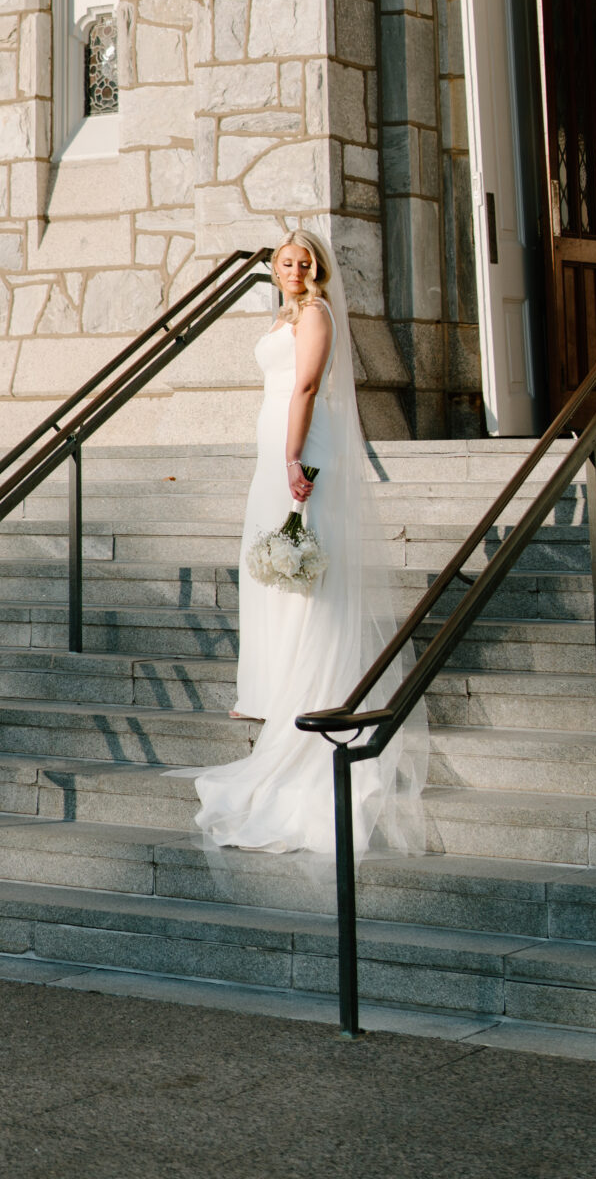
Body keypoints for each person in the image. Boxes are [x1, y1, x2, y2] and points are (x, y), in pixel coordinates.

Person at [192, 227, 427, 858]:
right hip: (274, 443)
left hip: (300, 444)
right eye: (284, 262)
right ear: (274, 267)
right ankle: (269, 683)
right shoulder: (283, 312)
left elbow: (305, 387)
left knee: (301, 559)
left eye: (303, 262)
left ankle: (305, 679)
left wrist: (294, 456)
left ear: (317, 269)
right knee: (270, 563)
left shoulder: (317, 314)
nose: (294, 270)